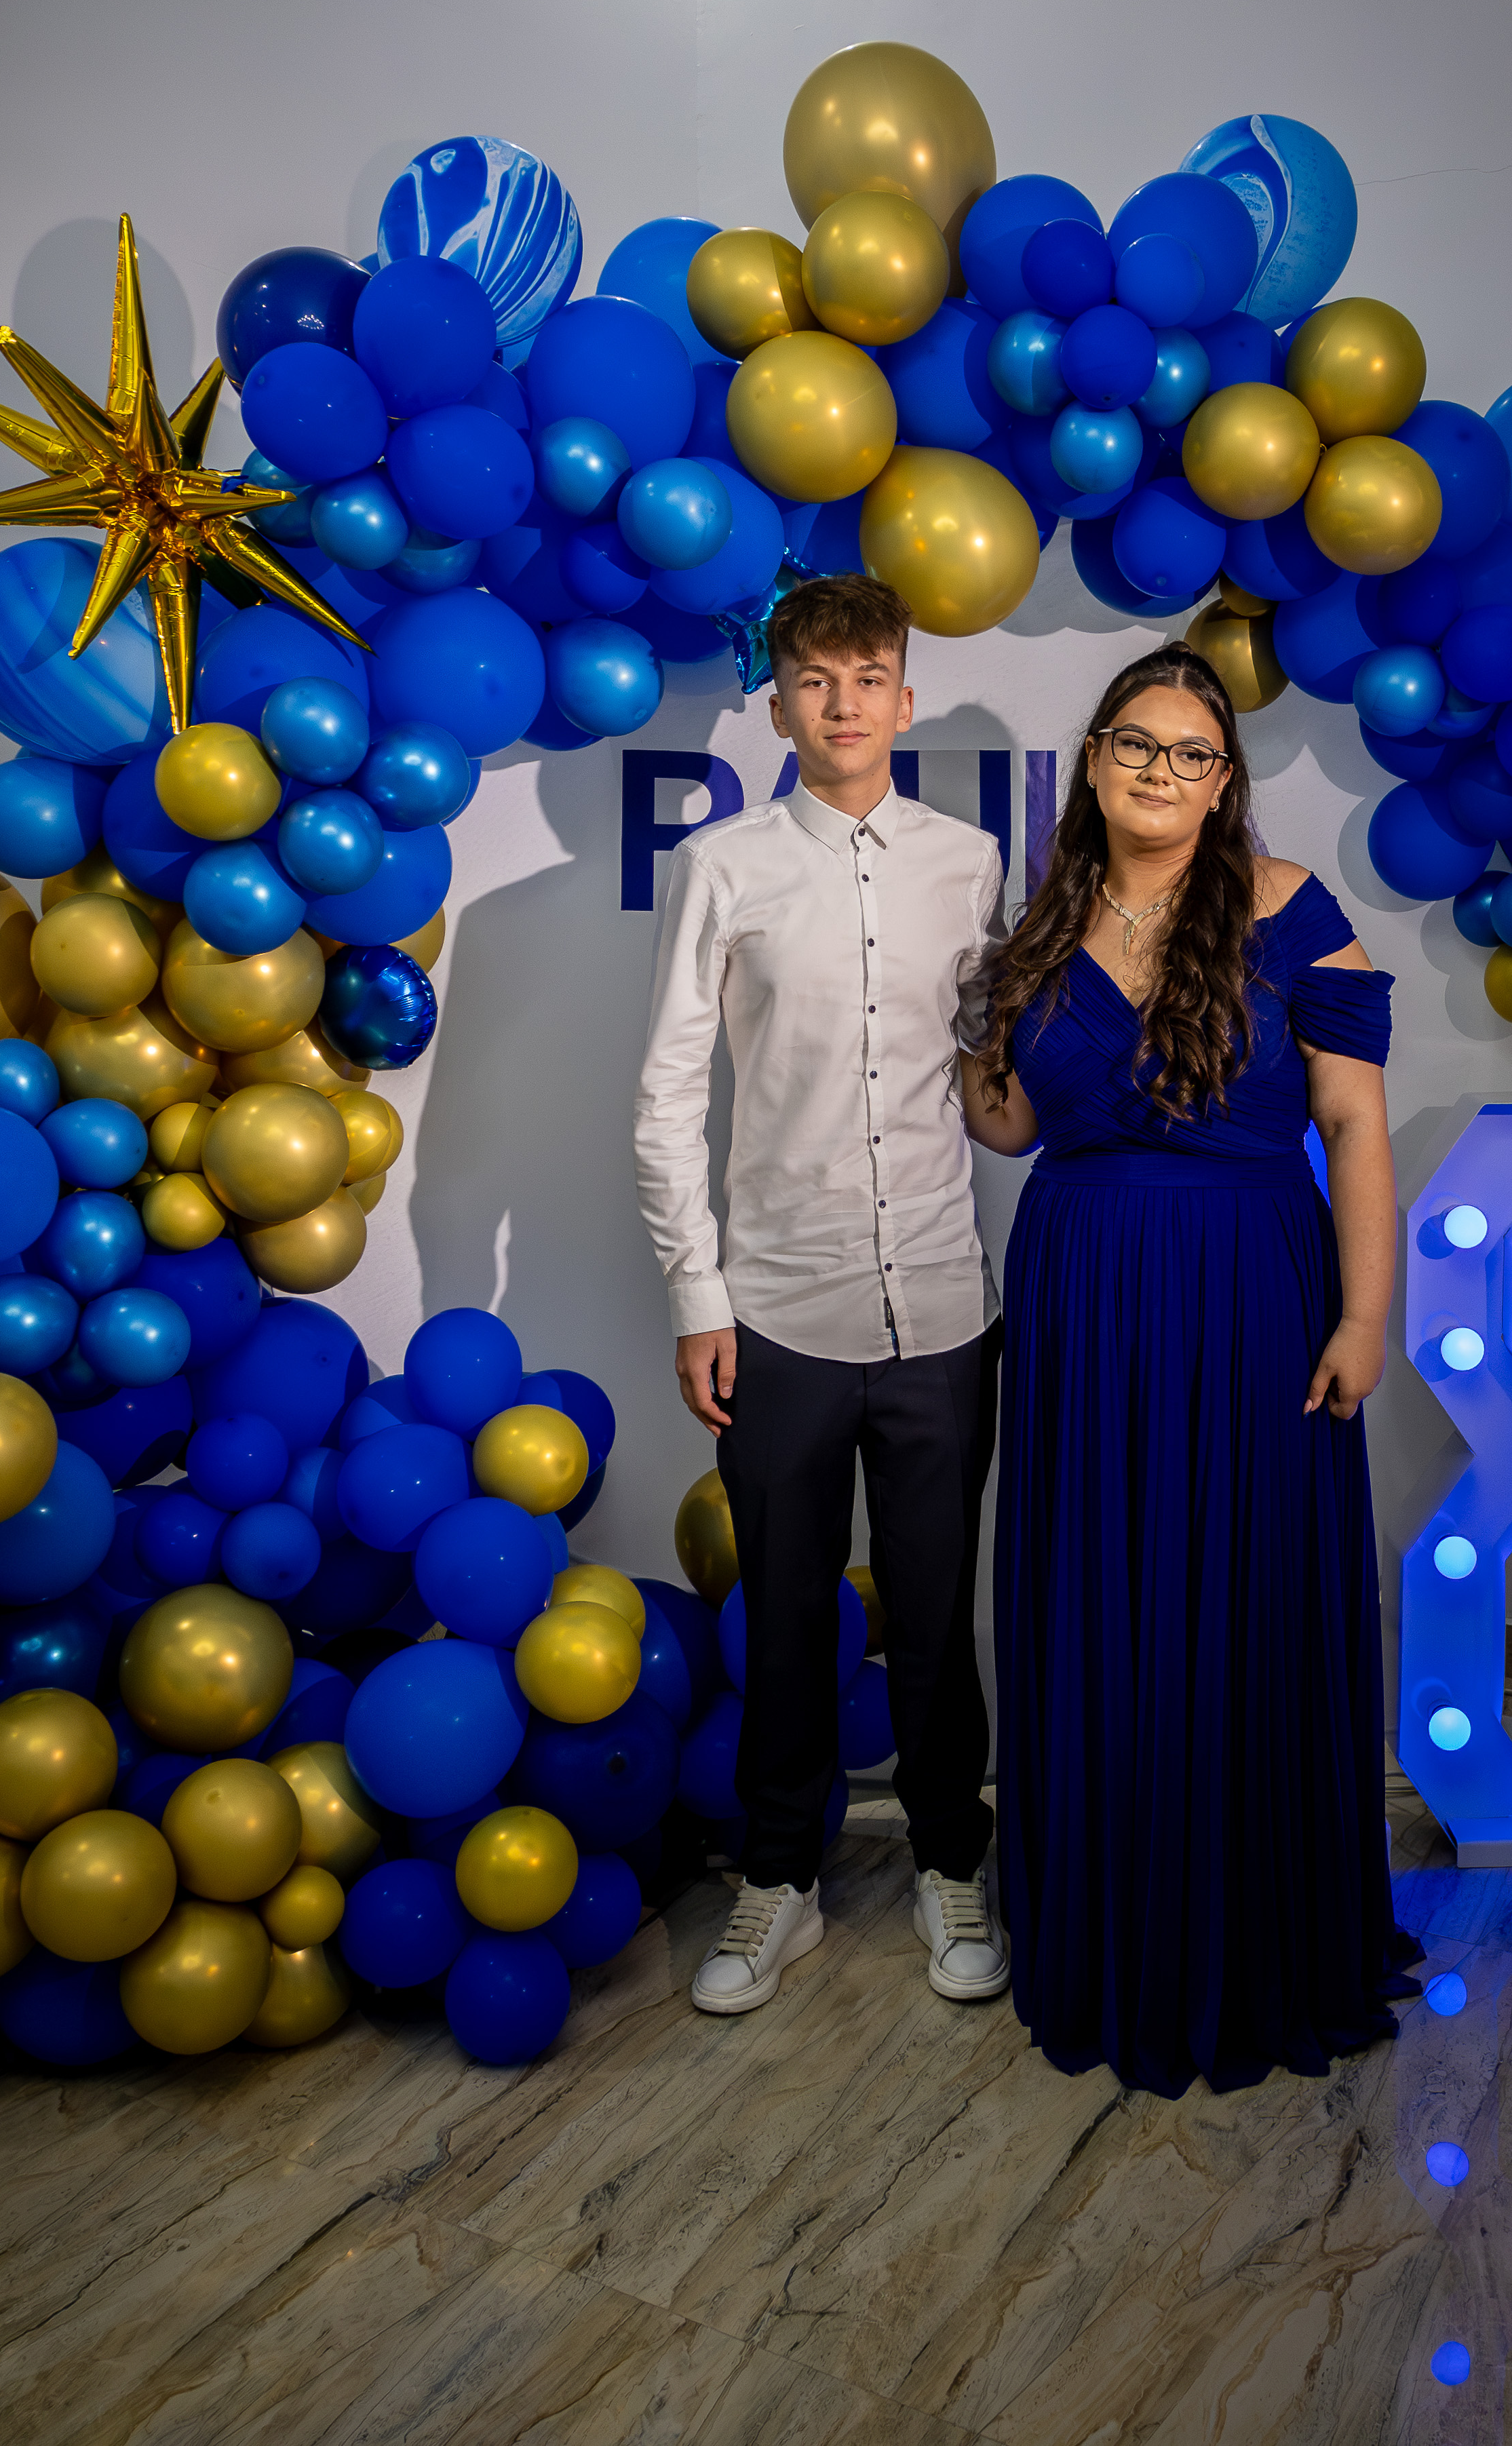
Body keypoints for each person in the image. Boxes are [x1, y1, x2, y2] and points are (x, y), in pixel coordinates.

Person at [961, 642, 1421, 2095]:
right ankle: (1115, 1928)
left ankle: (1255, 1937)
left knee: (1247, 1591)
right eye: (1137, 744)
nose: (1161, 770)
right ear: (1094, 763)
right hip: (1085, 1294)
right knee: (1101, 1593)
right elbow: (1011, 1125)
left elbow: (1353, 1125)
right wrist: (967, 1024)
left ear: (1224, 784)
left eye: (1192, 753)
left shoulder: (1290, 910)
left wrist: (1364, 1317)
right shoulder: (1043, 924)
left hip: (1252, 1292)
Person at [634, 573, 1011, 2017]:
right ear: (779, 703)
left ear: (904, 700)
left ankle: (950, 1857)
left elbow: (981, 1067)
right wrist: (697, 1292)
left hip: (944, 1306)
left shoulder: (970, 863)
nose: (842, 703)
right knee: (785, 1614)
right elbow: (668, 1092)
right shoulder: (721, 865)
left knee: (936, 1611)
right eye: (813, 679)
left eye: (866, 678)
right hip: (777, 1310)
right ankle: (779, 1878)